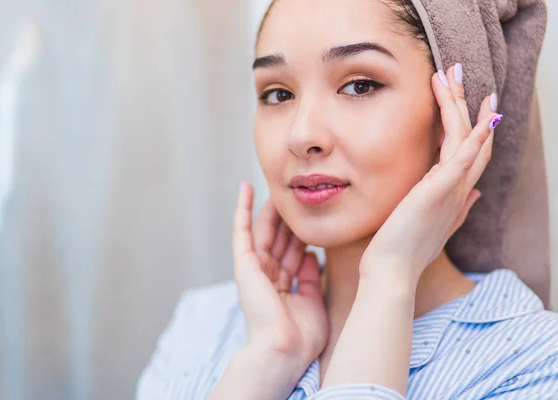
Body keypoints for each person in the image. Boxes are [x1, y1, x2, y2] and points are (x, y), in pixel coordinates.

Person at [137, 0, 558, 398]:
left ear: (456, 118)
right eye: (278, 94)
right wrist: (271, 357)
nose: (302, 136)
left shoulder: (531, 362)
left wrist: (388, 281)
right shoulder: (201, 326)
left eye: (359, 85)